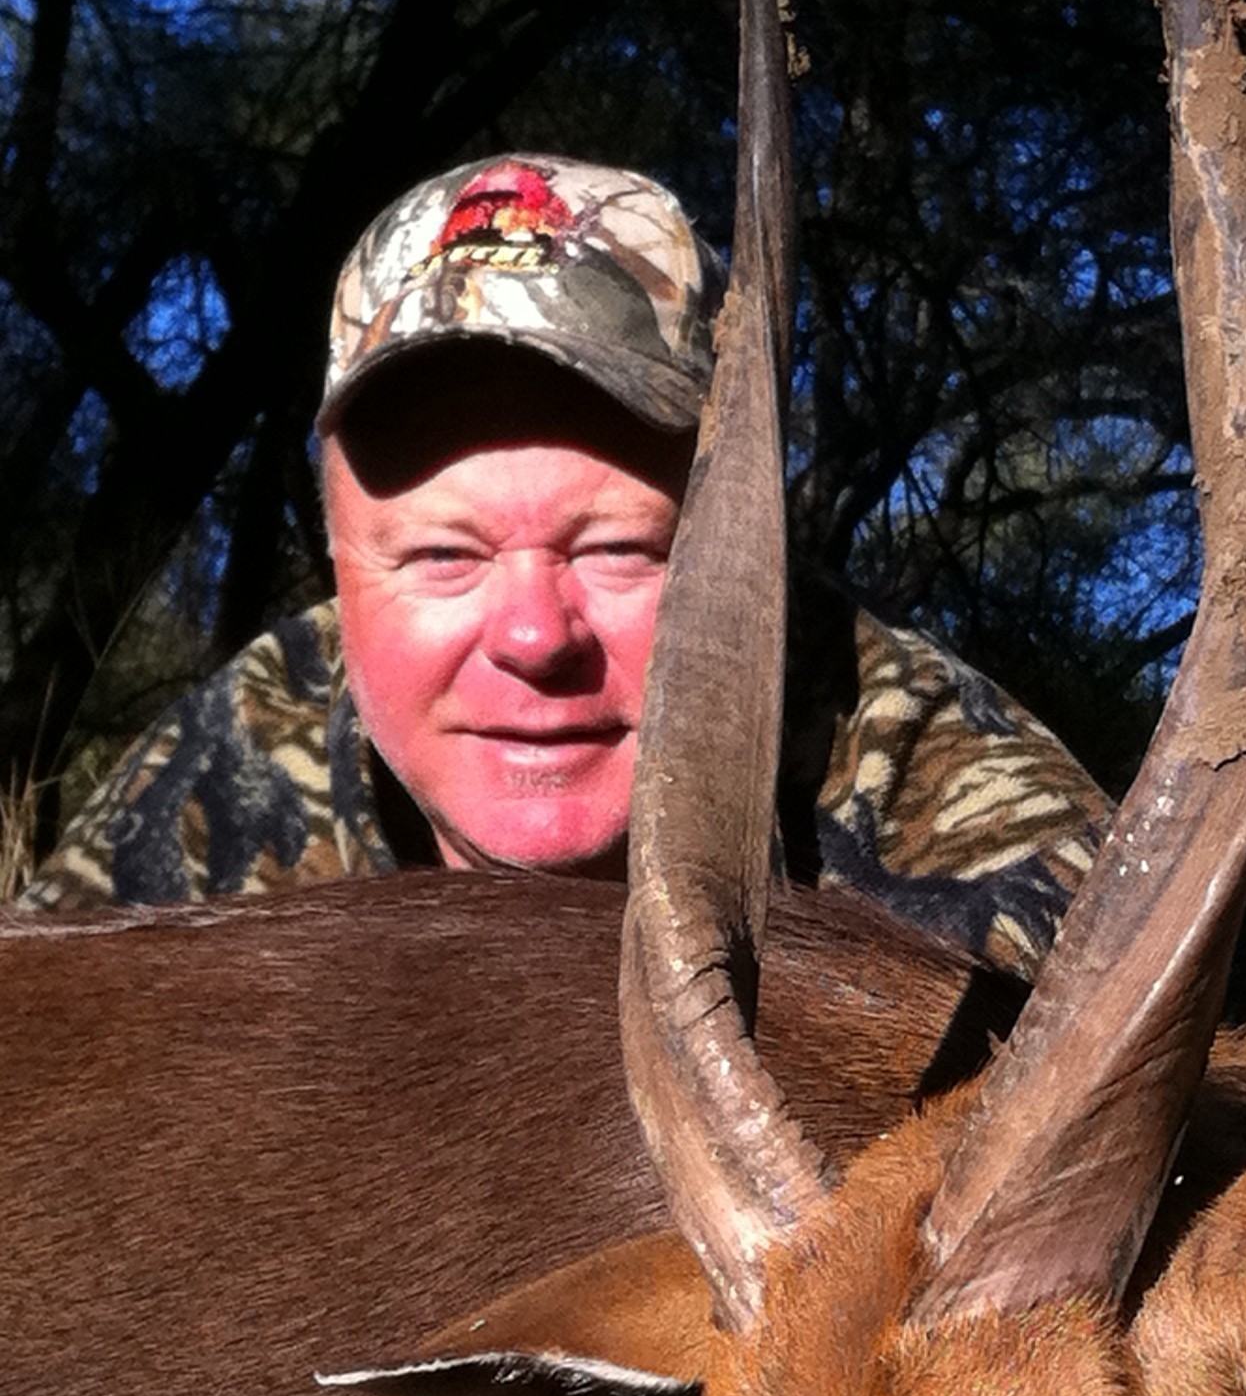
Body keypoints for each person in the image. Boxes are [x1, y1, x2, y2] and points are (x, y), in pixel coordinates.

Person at [23, 154, 1106, 979]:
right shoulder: (238, 762)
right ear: (343, 577)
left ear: (759, 569)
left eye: (623, 552)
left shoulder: (953, 808)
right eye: (444, 557)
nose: (536, 638)